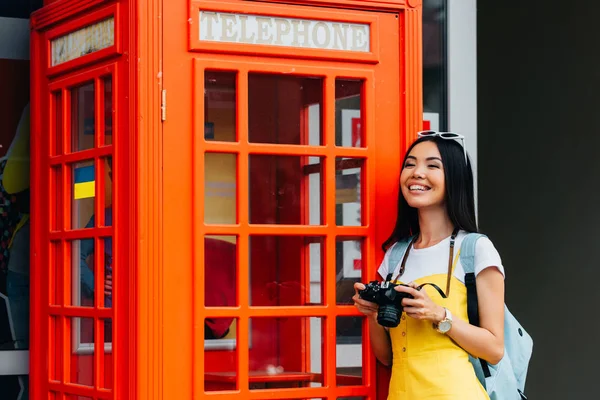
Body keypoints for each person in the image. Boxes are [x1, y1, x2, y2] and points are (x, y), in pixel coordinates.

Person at [353, 132, 505, 399]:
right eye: (410, 164)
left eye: (432, 165)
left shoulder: (475, 249)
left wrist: (439, 315)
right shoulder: (396, 255)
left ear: (455, 179)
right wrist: (373, 314)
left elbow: (494, 349)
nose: (417, 173)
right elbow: (386, 357)